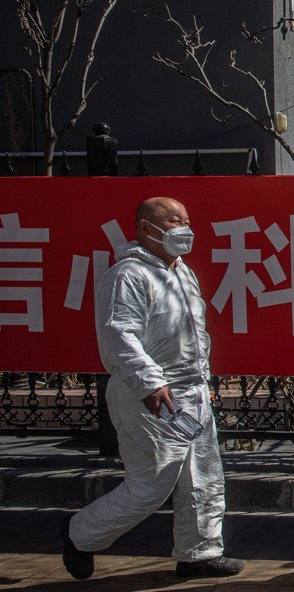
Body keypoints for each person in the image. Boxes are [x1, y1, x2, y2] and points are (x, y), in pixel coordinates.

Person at [60, 197, 244, 580]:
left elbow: (194, 335)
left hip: (189, 393)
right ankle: (81, 533)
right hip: (148, 395)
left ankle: (200, 552)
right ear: (147, 228)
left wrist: (202, 381)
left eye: (187, 220)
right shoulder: (127, 275)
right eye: (175, 221)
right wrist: (150, 381)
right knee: (150, 485)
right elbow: (118, 335)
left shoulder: (182, 272)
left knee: (204, 475)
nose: (185, 229)